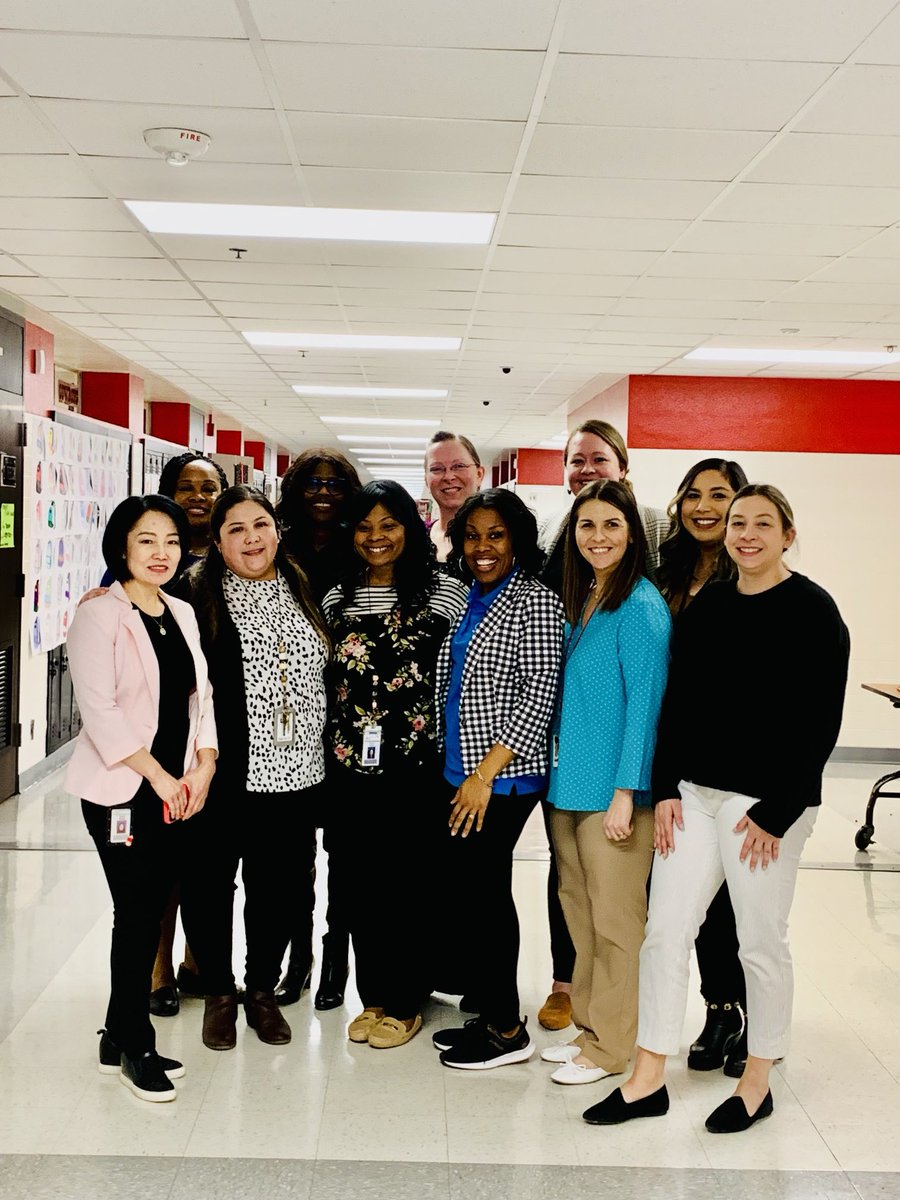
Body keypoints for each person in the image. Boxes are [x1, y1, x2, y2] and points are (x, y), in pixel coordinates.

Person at [585, 485, 850, 1133]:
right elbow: (680, 706)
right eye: (738, 522)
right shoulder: (709, 606)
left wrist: (779, 812)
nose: (748, 533)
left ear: (788, 535)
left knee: (759, 941)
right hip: (697, 796)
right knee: (666, 930)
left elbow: (821, 722)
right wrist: (669, 787)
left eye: (764, 523)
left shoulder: (815, 611)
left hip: (765, 806)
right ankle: (648, 1075)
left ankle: (757, 1079)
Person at [65, 495, 217, 1102]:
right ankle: (135, 1041)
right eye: (146, 540)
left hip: (177, 785)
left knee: (146, 909)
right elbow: (99, 712)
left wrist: (204, 764)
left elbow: (199, 698)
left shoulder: (179, 610)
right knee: (137, 915)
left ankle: (113, 1034)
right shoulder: (100, 613)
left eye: (172, 541)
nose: (161, 552)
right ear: (121, 547)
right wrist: (160, 778)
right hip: (124, 792)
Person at [181, 486, 330, 1051]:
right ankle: (220, 993)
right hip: (223, 771)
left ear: (277, 529)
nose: (251, 538)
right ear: (217, 543)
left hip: (297, 773)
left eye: (260, 524)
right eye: (236, 529)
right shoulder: (195, 596)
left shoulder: (300, 583)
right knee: (210, 884)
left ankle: (261, 992)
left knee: (280, 889)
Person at [322, 481, 468, 1049]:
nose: (376, 537)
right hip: (347, 764)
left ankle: (406, 1001)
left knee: (410, 883)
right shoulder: (339, 596)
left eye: (389, 525)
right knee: (360, 883)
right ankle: (374, 995)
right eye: (364, 526)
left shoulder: (444, 595)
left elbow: (461, 683)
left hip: (418, 765)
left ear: (411, 528)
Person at [535, 419, 669, 1031]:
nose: (598, 535)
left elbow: (645, 707)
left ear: (633, 534)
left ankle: (614, 1045)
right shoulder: (583, 595)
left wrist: (626, 792)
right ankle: (589, 1026)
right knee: (580, 916)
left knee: (616, 925)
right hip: (567, 785)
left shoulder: (640, 605)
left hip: (612, 796)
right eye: (587, 525)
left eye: (612, 524)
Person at [431, 488, 564, 1071]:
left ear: (517, 540)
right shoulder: (473, 596)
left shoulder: (534, 603)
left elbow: (538, 697)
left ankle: (508, 1029)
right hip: (461, 770)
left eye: (496, 535)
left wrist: (484, 775)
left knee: (485, 894)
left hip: (502, 777)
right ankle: (490, 1010)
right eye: (472, 536)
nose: (482, 547)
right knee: (471, 891)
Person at [657, 458, 751, 1076]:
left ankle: (731, 1011)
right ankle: (704, 1009)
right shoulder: (662, 573)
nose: (704, 506)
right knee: (674, 902)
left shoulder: (753, 577)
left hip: (731, 763)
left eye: (720, 495)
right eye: (694, 494)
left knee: (729, 906)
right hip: (665, 753)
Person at [274, 447, 361, 1009]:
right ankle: (297, 958)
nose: (324, 492)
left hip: (352, 728)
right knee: (292, 855)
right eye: (312, 483)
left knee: (346, 855)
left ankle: (336, 961)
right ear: (296, 490)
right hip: (291, 726)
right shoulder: (277, 547)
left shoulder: (363, 546)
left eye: (334, 483)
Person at [147, 452, 227, 1015]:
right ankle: (156, 969)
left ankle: (200, 960)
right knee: (160, 865)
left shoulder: (233, 557)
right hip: (160, 736)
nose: (197, 496)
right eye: (186, 487)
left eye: (208, 488)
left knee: (209, 862)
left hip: (217, 739)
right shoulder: (148, 560)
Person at [424, 430, 485, 563]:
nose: (448, 477)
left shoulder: (506, 539)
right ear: (426, 481)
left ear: (479, 475)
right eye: (437, 469)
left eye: (459, 466)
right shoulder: (414, 540)